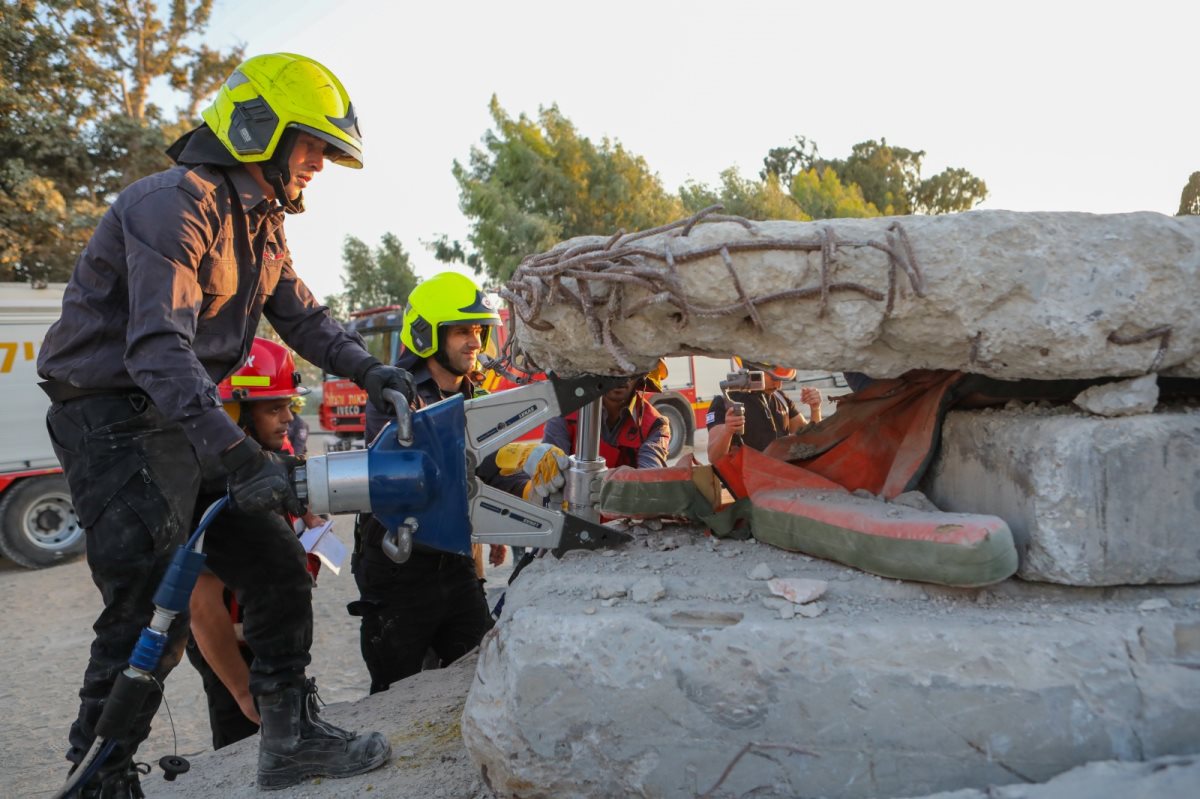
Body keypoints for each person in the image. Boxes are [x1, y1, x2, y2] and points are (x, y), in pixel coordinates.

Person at [37, 53, 414, 795]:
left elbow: (301, 314)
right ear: (258, 128)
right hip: (111, 418)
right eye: (312, 145)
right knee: (147, 606)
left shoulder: (261, 222)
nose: (319, 164)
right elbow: (156, 348)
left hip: (179, 412)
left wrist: (372, 370)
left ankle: (290, 739)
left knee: (276, 567)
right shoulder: (172, 205)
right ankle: (98, 777)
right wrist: (240, 457)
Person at [349, 272, 563, 694]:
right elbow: (427, 465)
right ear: (427, 334)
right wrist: (514, 452)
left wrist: (534, 490)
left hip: (455, 562)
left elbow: (491, 472)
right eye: (463, 331)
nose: (475, 342)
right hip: (397, 569)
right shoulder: (392, 395)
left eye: (480, 331)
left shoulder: (474, 396)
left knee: (479, 677)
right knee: (395, 695)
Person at [185, 338, 325, 750]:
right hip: (234, 655)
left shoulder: (269, 463)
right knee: (241, 749)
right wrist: (243, 692)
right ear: (236, 415)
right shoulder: (214, 491)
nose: (288, 418)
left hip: (268, 643)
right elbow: (201, 608)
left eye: (288, 405)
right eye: (274, 408)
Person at [541, 359, 672, 469]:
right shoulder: (564, 414)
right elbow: (551, 470)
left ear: (642, 375)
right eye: (611, 367)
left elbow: (649, 479)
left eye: (630, 368)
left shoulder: (655, 425)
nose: (620, 376)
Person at [706, 359, 823, 463]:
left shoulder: (781, 399)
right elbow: (714, 457)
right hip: (746, 478)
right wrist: (727, 431)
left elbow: (811, 439)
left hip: (780, 475)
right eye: (774, 378)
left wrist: (815, 409)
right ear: (753, 370)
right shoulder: (725, 402)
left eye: (781, 380)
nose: (778, 385)